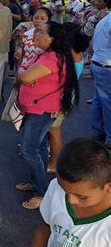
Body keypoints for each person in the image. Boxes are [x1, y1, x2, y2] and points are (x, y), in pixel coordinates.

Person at [15, 21, 79, 210]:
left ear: (53, 38)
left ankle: (41, 192)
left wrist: (23, 72)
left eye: (41, 32)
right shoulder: (47, 55)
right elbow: (27, 74)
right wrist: (26, 73)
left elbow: (25, 76)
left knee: (28, 150)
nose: (36, 34)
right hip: (38, 109)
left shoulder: (52, 58)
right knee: (40, 147)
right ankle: (37, 182)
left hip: (41, 110)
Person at [30, 138, 110, 247]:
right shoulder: (55, 187)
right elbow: (44, 228)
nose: (70, 200)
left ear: (108, 187)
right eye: (64, 190)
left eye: (81, 197)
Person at [47, 24, 90, 173]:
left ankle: (54, 163)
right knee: (54, 129)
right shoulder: (74, 51)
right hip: (66, 95)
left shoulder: (68, 54)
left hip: (62, 96)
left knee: (54, 130)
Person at [90, 11, 111, 148]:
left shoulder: (105, 19)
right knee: (108, 103)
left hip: (97, 63)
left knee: (99, 100)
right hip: (106, 67)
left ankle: (97, 132)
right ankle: (110, 137)